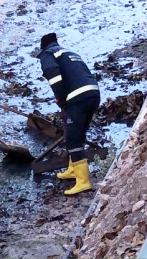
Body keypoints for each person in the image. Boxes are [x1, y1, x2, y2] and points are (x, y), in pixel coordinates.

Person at [37, 33, 100, 195]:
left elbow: (53, 75)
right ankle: (73, 169)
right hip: (93, 94)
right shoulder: (68, 52)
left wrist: (61, 99)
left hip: (77, 98)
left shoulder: (48, 54)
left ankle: (83, 181)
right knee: (76, 133)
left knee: (73, 139)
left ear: (42, 47)